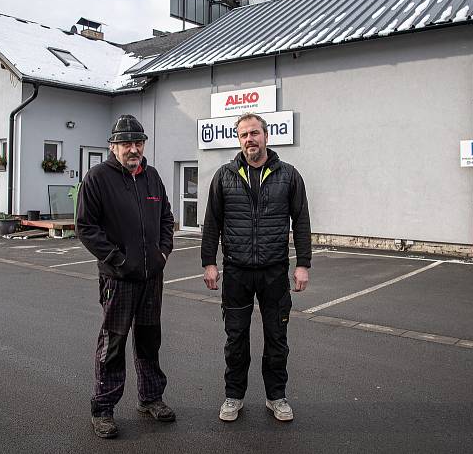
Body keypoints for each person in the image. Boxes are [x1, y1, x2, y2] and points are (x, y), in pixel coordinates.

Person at [201, 112, 311, 423]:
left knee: (277, 338)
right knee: (236, 338)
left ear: (266, 136)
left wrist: (303, 263)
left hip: (274, 271)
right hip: (236, 272)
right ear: (239, 140)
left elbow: (301, 222)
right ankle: (233, 396)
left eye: (255, 133)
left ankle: (276, 396)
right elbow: (212, 223)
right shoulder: (224, 175)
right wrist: (209, 262)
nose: (250, 139)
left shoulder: (288, 175)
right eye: (244, 135)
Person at [76, 114, 175, 439]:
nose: (133, 149)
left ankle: (150, 398)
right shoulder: (97, 178)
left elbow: (166, 218)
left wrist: (162, 253)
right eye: (126, 143)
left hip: (151, 279)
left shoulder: (153, 177)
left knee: (149, 341)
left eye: (138, 142)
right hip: (118, 280)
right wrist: (118, 260)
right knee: (113, 343)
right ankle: (103, 409)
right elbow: (86, 228)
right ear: (113, 146)